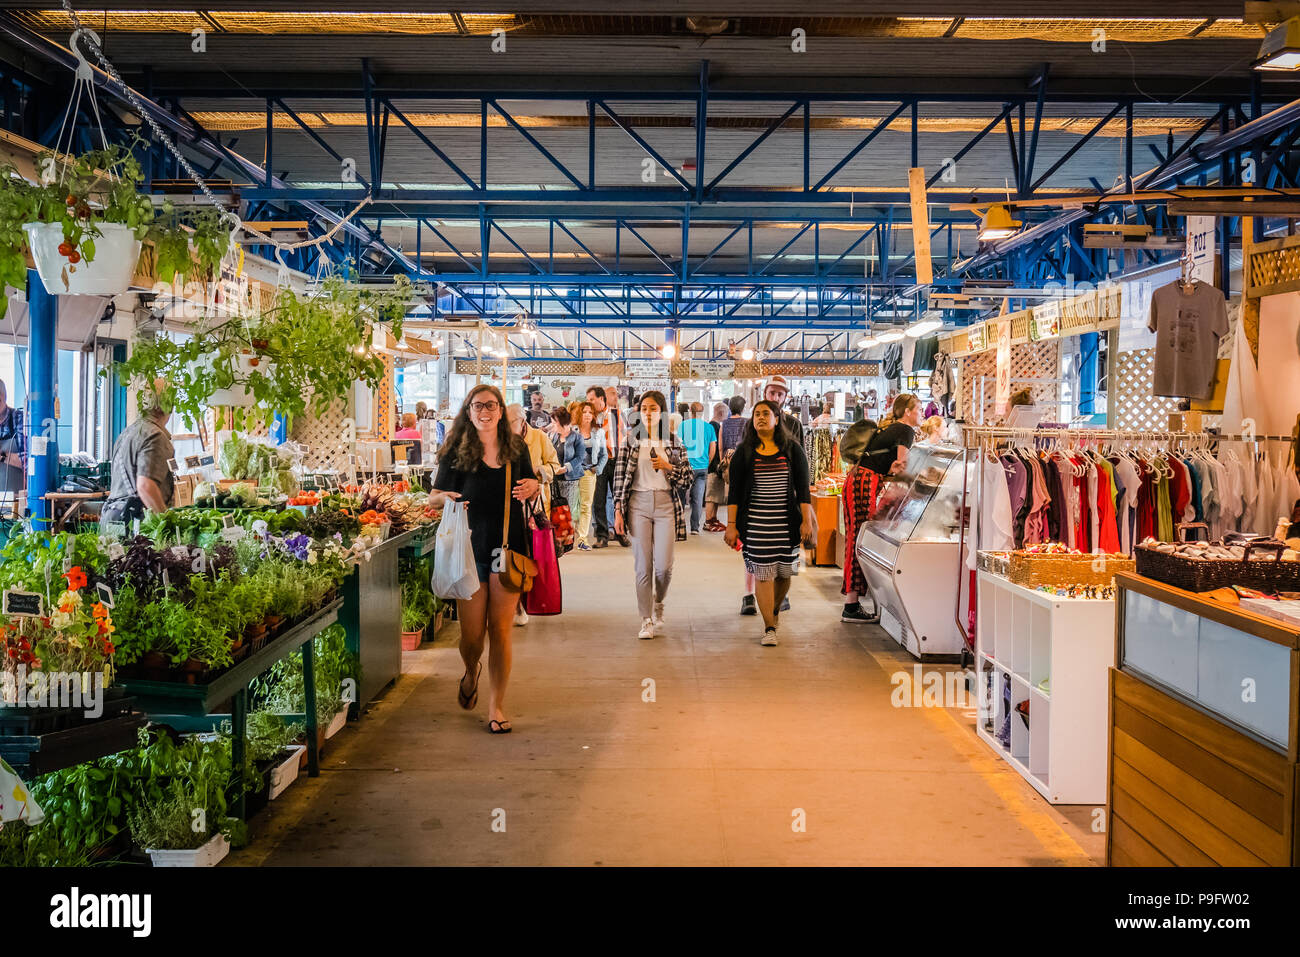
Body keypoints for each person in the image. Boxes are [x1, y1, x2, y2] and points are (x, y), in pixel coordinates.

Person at [427, 385, 541, 734]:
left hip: (508, 547)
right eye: (478, 406)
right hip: (469, 549)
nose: (485, 412)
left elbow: (532, 481)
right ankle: (470, 668)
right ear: (469, 411)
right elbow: (433, 497)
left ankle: (496, 706)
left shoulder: (515, 447)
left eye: (491, 405)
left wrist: (533, 487)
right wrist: (446, 499)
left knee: (501, 631)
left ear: (501, 410)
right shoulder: (457, 449)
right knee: (473, 635)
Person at [725, 400, 813, 646]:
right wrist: (731, 525)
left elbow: (803, 490)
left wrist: (807, 521)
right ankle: (769, 627)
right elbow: (734, 494)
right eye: (756, 414)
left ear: (777, 419)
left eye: (766, 414)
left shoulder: (793, 450)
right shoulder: (744, 452)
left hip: (786, 524)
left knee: (784, 575)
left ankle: (772, 611)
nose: (760, 418)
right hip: (755, 523)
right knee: (763, 574)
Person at [611, 391, 693, 640]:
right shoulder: (630, 441)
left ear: (662, 412)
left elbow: (687, 478)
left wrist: (669, 467)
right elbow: (619, 477)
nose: (648, 412)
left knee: (664, 568)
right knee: (642, 567)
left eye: (653, 408)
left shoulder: (674, 442)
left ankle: (659, 601)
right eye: (644, 408)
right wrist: (618, 510)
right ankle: (646, 618)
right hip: (637, 504)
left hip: (666, 504)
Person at [738, 376, 805, 616]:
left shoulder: (794, 425)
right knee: (752, 551)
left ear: (785, 397)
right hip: (755, 499)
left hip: (785, 499)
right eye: (772, 392)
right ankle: (748, 595)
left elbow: (801, 464)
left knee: (781, 553)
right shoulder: (753, 422)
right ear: (764, 393)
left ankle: (779, 595)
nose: (775, 397)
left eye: (780, 394)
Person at [102, 378, 175, 525]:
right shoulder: (155, 436)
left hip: (113, 518)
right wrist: (165, 522)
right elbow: (145, 486)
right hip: (134, 523)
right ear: (167, 404)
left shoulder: (128, 432)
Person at [589, 384, 629, 549]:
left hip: (615, 460)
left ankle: (621, 533)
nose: (589, 402)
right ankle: (602, 536)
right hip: (598, 463)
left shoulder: (617, 414)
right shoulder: (589, 417)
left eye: (592, 399)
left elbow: (627, 435)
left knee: (619, 499)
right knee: (598, 500)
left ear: (601, 398)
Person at [565, 401, 607, 549]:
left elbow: (604, 455)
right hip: (572, 473)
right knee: (571, 506)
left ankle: (582, 538)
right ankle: (568, 537)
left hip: (589, 472)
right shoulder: (572, 431)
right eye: (584, 412)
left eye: (590, 412)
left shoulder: (599, 433)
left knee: (586, 506)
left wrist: (599, 468)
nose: (588, 415)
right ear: (579, 414)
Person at [677, 401, 715, 534]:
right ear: (702, 412)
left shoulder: (682, 425)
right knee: (697, 499)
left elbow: (677, 447)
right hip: (702, 468)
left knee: (680, 497)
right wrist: (707, 463)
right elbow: (713, 449)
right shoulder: (709, 427)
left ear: (690, 411)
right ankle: (694, 528)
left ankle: (678, 526)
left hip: (685, 467)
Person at [0, 378, 25, 514]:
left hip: (15, 504)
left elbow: (30, 463)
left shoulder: (19, 420)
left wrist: (3, 456)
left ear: (5, 398)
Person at [703, 402, 729, 531]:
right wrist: (711, 464)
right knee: (712, 495)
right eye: (726, 413)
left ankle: (713, 519)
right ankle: (708, 521)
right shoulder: (713, 426)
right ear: (721, 413)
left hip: (716, 466)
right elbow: (713, 448)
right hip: (714, 466)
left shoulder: (714, 425)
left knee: (716, 495)